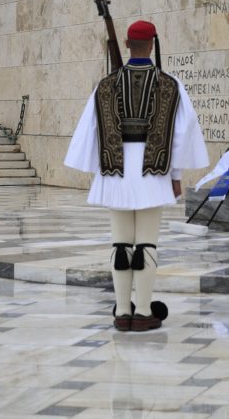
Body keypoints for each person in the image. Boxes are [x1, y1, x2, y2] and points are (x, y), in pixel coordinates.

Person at [65, 20, 209, 332]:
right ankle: (142, 312)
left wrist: (100, 168)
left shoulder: (105, 85)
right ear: (153, 45)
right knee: (146, 245)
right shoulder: (171, 85)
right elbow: (180, 135)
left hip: (115, 172)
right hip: (152, 172)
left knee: (120, 244)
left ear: (127, 45)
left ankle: (121, 310)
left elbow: (91, 130)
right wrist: (175, 175)